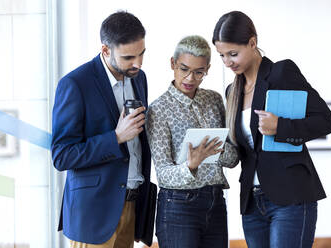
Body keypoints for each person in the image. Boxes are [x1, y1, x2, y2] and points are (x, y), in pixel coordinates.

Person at [212, 11, 331, 248]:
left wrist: (280, 126)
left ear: (252, 42)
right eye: (222, 56)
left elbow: (326, 120)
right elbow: (244, 151)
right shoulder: (232, 91)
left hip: (290, 198)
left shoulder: (281, 73)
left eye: (233, 54)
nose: (227, 62)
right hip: (252, 203)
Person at [51, 11, 153, 248]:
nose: (138, 63)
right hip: (93, 215)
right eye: (129, 57)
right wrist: (116, 137)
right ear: (106, 50)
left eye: (142, 54)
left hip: (131, 203)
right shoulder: (75, 84)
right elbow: (62, 155)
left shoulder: (139, 78)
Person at [146, 35, 238, 248]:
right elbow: (163, 174)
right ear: (172, 64)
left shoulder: (214, 100)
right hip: (178, 206)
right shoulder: (158, 109)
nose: (190, 78)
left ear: (207, 69)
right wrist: (191, 165)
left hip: (215, 202)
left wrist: (217, 150)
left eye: (199, 72)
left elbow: (233, 158)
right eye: (184, 69)